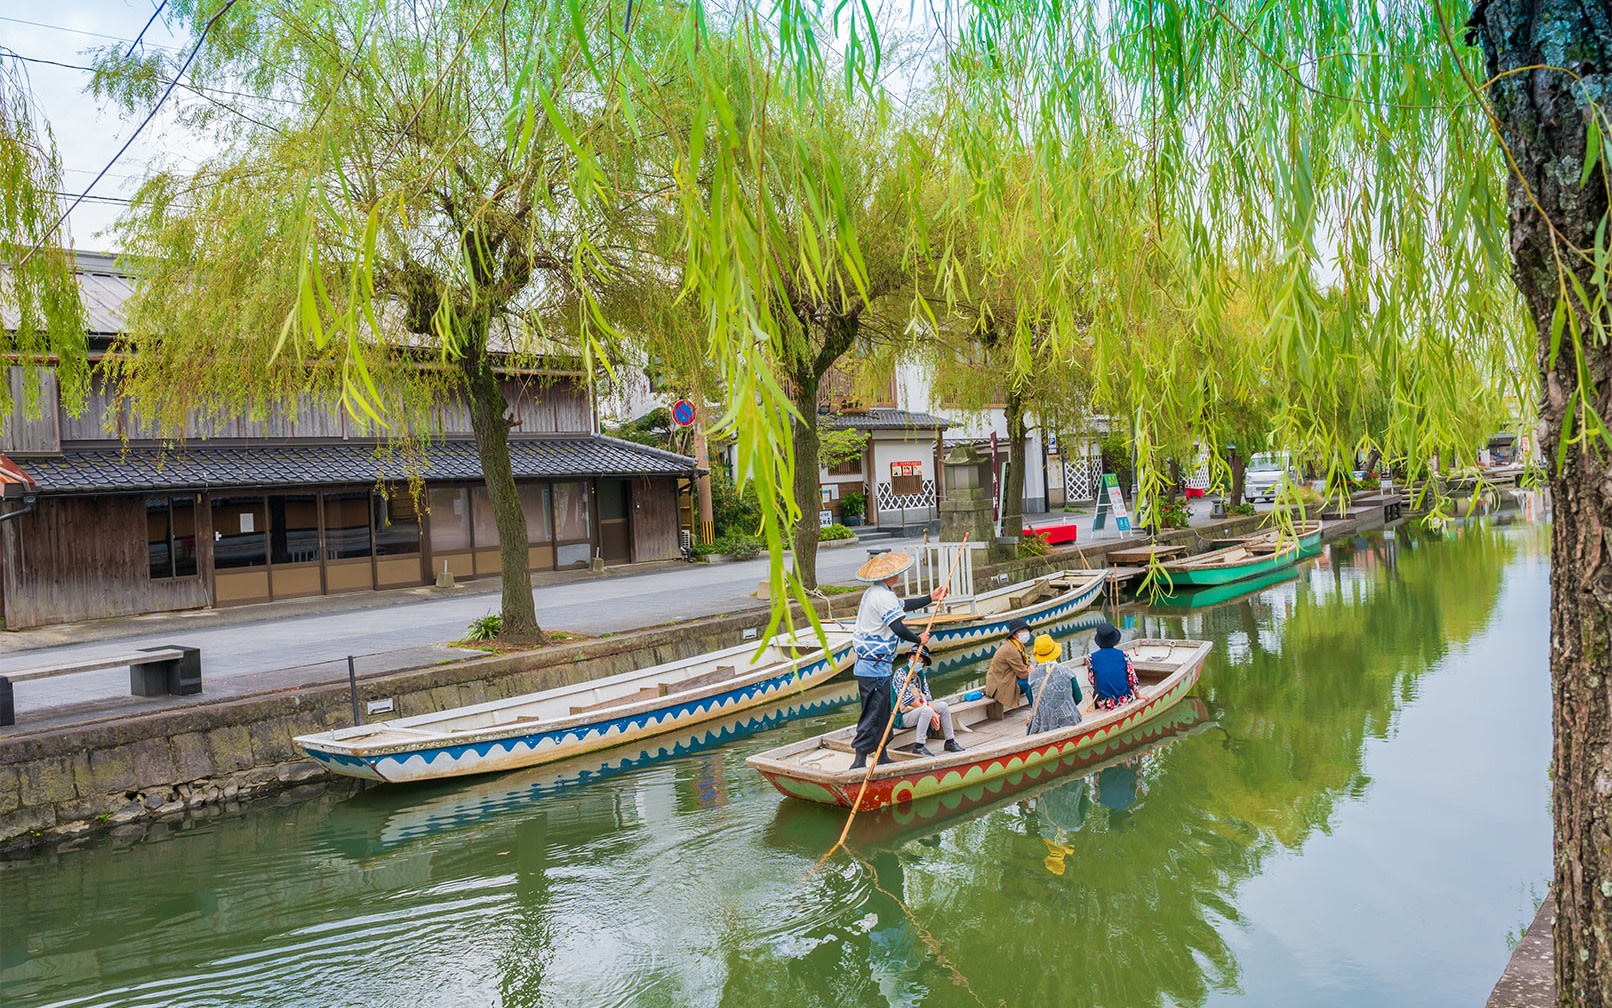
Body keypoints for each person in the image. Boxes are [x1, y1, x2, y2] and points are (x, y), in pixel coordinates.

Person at [848, 551, 949, 769]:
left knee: (884, 712)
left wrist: (931, 598)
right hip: (873, 666)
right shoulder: (882, 597)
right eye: (896, 573)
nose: (898, 575)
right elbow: (897, 627)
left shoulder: (879, 592)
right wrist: (918, 639)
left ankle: (882, 754)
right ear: (890, 575)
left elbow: (903, 605)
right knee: (873, 713)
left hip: (878, 666)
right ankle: (859, 760)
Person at [893, 647, 965, 756]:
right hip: (902, 715)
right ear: (909, 658)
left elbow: (927, 696)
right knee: (927, 710)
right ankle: (919, 746)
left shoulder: (920, 674)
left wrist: (933, 712)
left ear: (923, 664)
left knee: (943, 706)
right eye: (914, 657)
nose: (916, 661)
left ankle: (950, 741)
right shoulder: (900, 673)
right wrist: (931, 713)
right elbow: (909, 701)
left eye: (920, 660)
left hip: (918, 710)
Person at [1025, 634, 1084, 734]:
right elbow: (1078, 697)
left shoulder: (1032, 676)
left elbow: (1033, 701)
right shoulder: (1066, 671)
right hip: (1070, 720)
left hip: (1043, 726)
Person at [1086, 622, 1140, 710]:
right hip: (1124, 699)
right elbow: (1132, 679)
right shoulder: (1124, 655)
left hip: (1104, 703)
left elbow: (1092, 680)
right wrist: (1138, 695)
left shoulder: (1091, 658)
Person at [985, 617, 1034, 709]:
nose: (1026, 633)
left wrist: (1030, 665)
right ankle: (1036, 711)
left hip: (1010, 678)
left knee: (1033, 679)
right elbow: (1023, 675)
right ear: (1014, 635)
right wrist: (1030, 670)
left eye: (1026, 630)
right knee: (1031, 682)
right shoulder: (1010, 650)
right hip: (1001, 685)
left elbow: (1027, 660)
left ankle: (1036, 708)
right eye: (1022, 630)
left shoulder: (1018, 645)